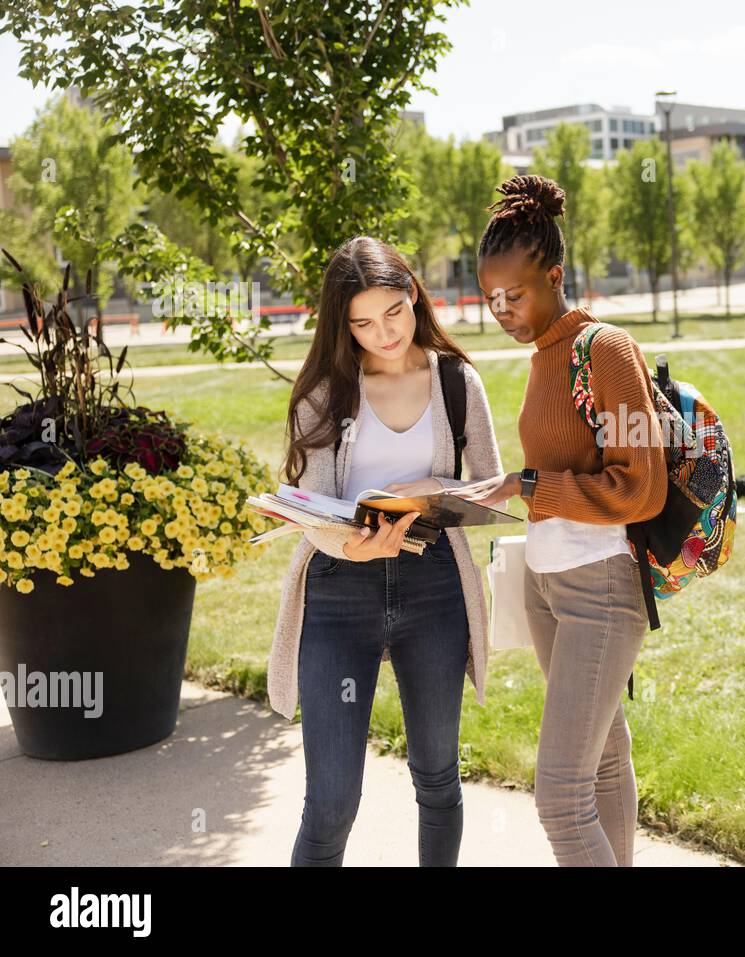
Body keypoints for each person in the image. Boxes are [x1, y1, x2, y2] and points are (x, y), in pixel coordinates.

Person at [447, 174, 667, 867]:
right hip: (550, 586)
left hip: (600, 588)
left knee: (558, 797)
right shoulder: (546, 355)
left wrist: (530, 485)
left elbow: (642, 486)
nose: (503, 310)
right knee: (602, 757)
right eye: (491, 299)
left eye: (516, 294)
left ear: (556, 274)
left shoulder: (605, 350)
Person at [269, 236, 504, 866]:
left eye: (394, 313)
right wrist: (353, 546)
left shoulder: (456, 381)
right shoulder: (325, 389)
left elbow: (494, 488)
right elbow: (312, 507)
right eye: (364, 323)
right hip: (338, 595)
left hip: (434, 591)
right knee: (330, 804)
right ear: (343, 326)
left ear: (414, 296)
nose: (384, 333)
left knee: (437, 778)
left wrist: (437, 487)